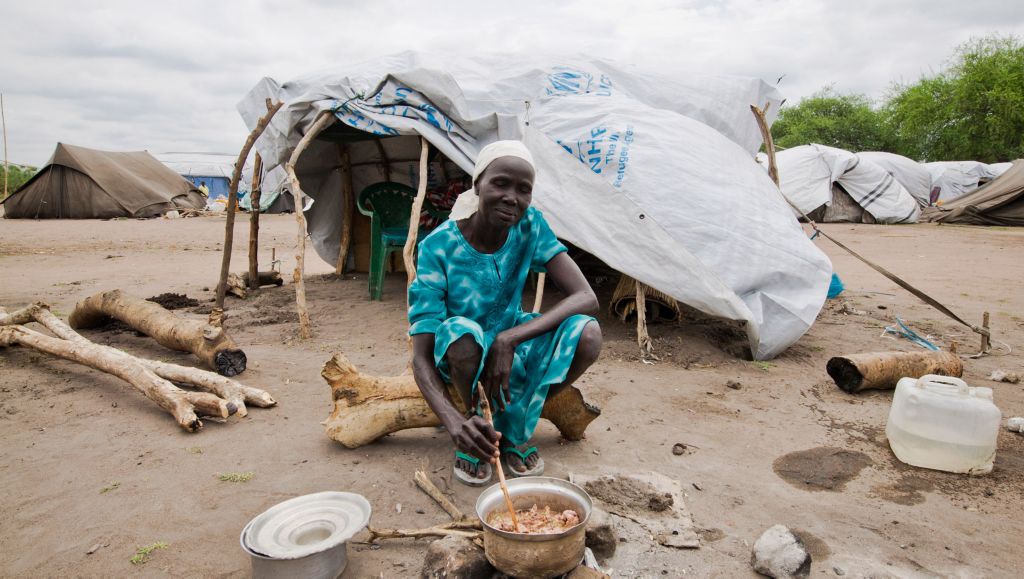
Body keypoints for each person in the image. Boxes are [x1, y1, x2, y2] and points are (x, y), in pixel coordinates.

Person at [408, 140, 602, 486]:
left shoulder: (530, 226)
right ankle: (475, 423)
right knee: (462, 334)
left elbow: (585, 296)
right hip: (459, 355)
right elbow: (421, 357)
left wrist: (509, 338)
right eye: (500, 183)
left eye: (523, 190)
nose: (512, 197)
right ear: (477, 184)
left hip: (510, 342)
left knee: (588, 334)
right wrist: (454, 425)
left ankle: (516, 421)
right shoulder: (437, 248)